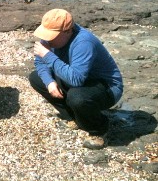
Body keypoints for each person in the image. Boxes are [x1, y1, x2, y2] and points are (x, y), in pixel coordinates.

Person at [29, 9, 123, 150]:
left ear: (68, 31)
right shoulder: (52, 38)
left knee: (77, 98)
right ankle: (73, 117)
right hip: (78, 79)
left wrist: (48, 55)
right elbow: (40, 63)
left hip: (106, 87)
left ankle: (99, 129)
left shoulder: (83, 42)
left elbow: (76, 80)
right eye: (46, 35)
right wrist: (50, 83)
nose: (47, 39)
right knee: (36, 78)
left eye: (51, 36)